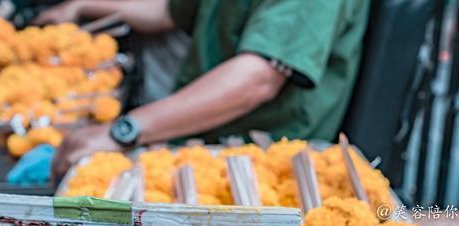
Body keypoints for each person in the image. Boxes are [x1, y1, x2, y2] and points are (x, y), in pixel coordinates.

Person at [35, 0, 371, 178]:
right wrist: (82, 6)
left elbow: (258, 79)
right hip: (202, 137)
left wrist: (124, 131)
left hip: (264, 157)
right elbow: (168, 10)